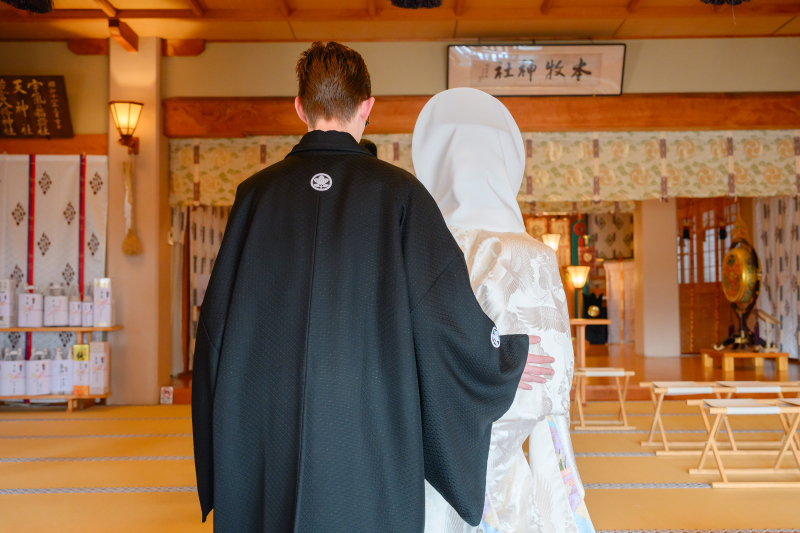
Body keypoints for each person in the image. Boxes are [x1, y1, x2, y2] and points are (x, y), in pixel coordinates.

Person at [192, 42, 550, 533]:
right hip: (371, 417)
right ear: (368, 108)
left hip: (269, 418)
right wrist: (501, 359)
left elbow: (215, 325)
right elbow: (442, 313)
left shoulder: (254, 195)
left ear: (299, 106)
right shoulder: (401, 193)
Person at [413, 88, 595, 533]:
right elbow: (550, 378)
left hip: (430, 435)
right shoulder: (533, 254)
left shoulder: (417, 247)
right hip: (504, 441)